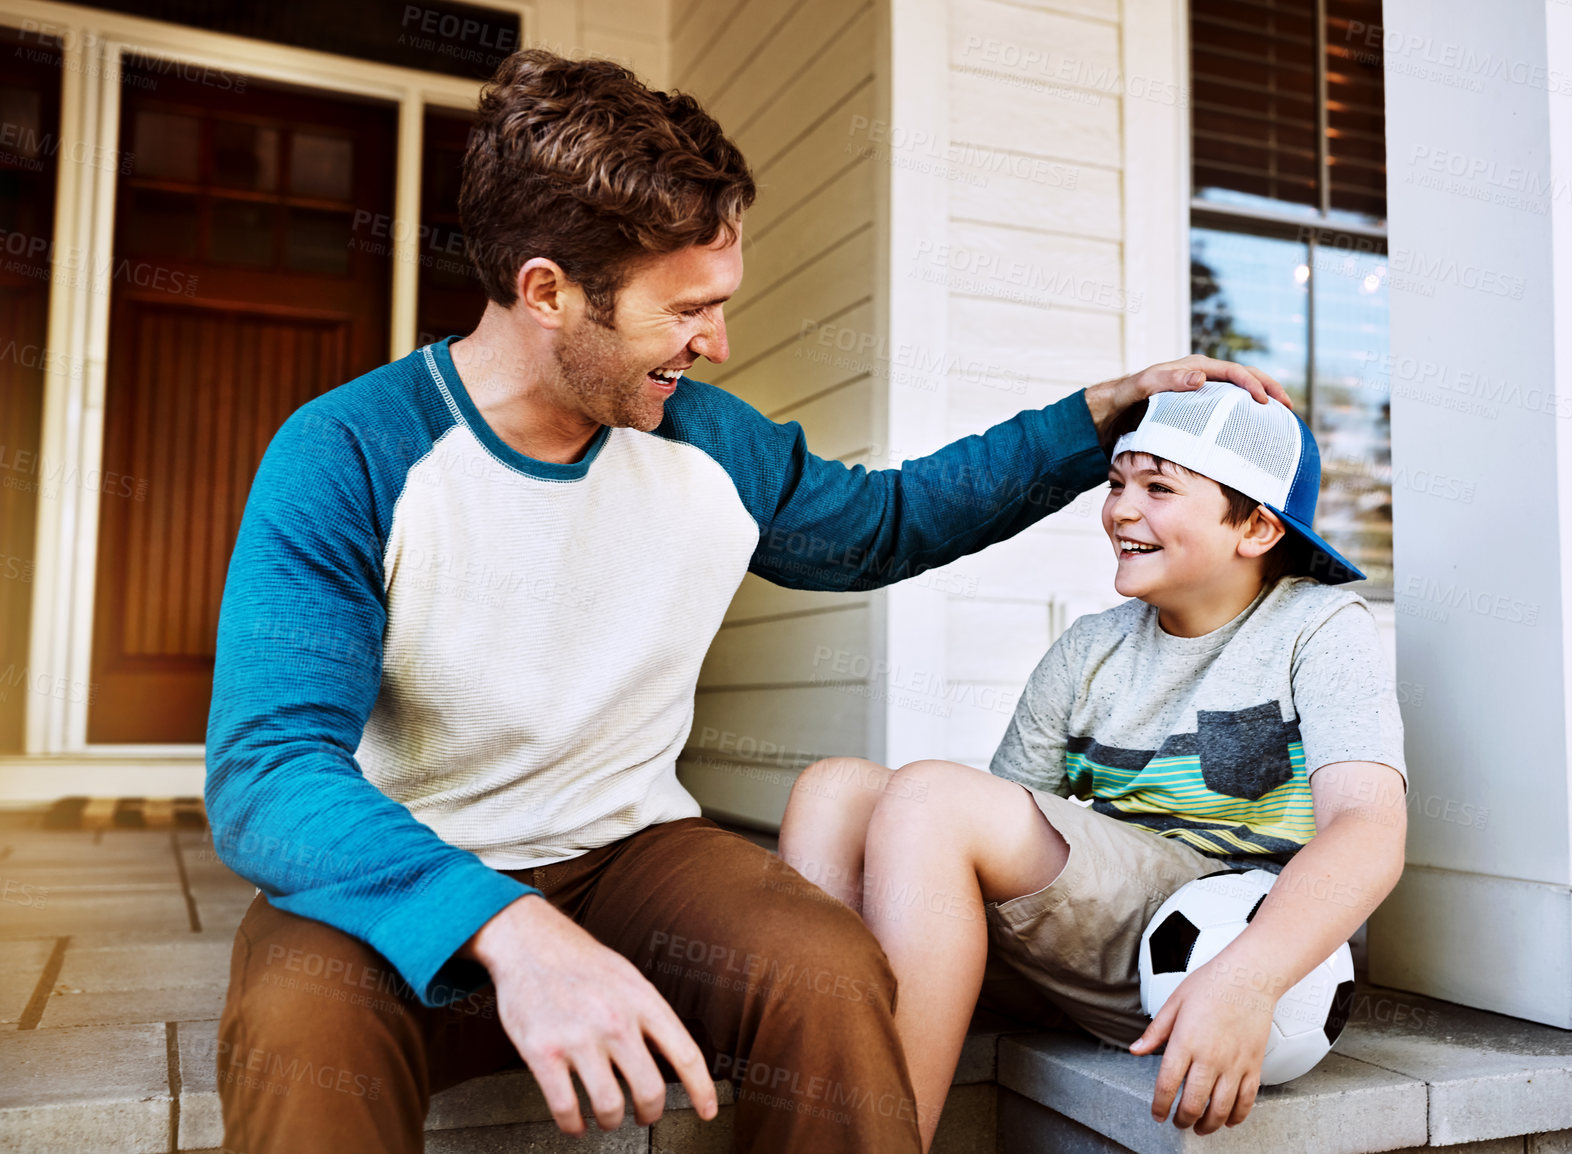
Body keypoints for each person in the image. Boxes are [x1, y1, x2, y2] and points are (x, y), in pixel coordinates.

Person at [205, 49, 1287, 1154]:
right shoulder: (350, 452)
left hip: (626, 854)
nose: (716, 343)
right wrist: (505, 926)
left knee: (822, 965)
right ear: (548, 292)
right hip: (407, 870)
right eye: (687, 311)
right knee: (295, 1037)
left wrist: (1095, 418)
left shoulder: (708, 441)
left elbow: (889, 520)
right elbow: (268, 772)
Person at [780, 382, 1408, 1149]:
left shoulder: (1316, 625)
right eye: (1115, 484)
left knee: (928, 797)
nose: (1121, 510)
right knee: (836, 790)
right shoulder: (1090, 649)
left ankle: (878, 1140)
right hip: (1082, 944)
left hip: (1211, 950)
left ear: (1257, 527)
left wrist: (1251, 979)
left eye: (1159, 488)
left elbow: (1369, 826)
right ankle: (823, 1079)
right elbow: (1002, 822)